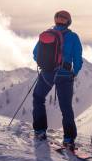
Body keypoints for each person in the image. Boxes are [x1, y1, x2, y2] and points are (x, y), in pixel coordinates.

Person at [32, 10, 83, 149]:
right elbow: (78, 59)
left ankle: (40, 131)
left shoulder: (47, 35)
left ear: (56, 20)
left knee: (38, 98)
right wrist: (74, 72)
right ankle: (69, 139)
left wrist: (46, 65)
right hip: (65, 75)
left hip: (47, 73)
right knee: (66, 107)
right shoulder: (73, 37)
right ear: (68, 21)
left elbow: (35, 53)